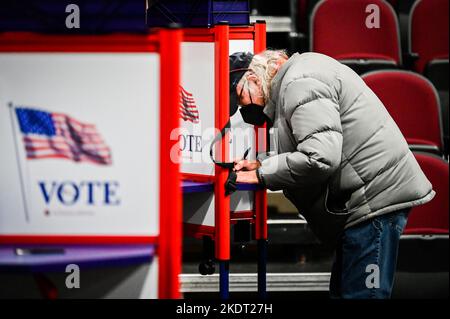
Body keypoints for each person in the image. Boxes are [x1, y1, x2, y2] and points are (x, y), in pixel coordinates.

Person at [229, 50, 435, 299]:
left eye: (242, 97)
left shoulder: (299, 82)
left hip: (372, 203)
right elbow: (313, 145)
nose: (246, 107)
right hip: (364, 202)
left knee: (362, 296)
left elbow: (319, 158)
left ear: (253, 77)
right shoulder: (299, 76)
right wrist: (263, 163)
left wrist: (262, 175)